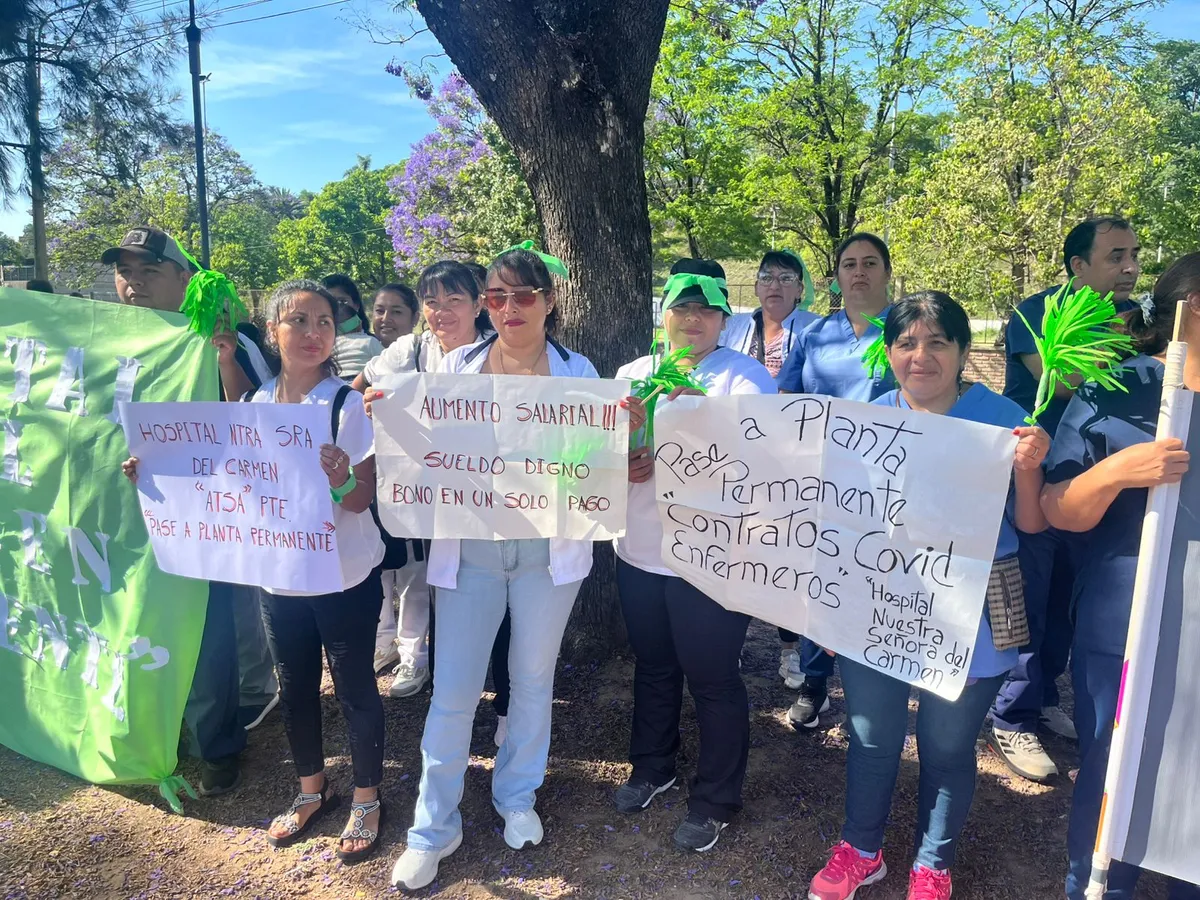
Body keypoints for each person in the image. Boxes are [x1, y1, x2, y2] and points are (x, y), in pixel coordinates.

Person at [807, 290, 1049, 900]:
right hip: (878, 604)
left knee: (947, 746)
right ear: (888, 352)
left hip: (976, 612)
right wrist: (828, 611)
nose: (921, 355)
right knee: (871, 737)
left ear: (964, 351)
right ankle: (861, 851)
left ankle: (932, 865)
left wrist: (1028, 467)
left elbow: (1032, 523)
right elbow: (840, 523)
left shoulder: (1004, 419)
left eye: (938, 342)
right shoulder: (866, 421)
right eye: (906, 342)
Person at [390, 245, 597, 892]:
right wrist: (389, 418)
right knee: (453, 692)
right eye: (496, 297)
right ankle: (433, 828)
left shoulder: (580, 372)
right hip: (472, 552)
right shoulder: (455, 367)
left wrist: (622, 437)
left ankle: (517, 796)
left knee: (531, 681)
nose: (510, 308)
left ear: (550, 301)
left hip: (546, 556)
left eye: (524, 295)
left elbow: (593, 465)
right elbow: (429, 451)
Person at [1043, 254, 1200, 900]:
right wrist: (1116, 472)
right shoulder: (1115, 390)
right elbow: (1057, 509)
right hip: (1124, 625)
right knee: (1116, 767)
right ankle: (1101, 884)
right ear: (1190, 310)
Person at [614, 260, 777, 853]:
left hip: (713, 559)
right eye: (681, 307)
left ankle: (715, 800)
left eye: (706, 309)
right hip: (639, 550)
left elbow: (762, 459)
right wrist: (622, 459)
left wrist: (702, 415)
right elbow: (592, 452)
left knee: (713, 678)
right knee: (654, 666)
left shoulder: (746, 378)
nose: (692, 318)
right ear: (663, 314)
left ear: (723, 320)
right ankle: (652, 767)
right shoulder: (632, 374)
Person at [102, 225, 271, 795]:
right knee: (135, 618)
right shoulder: (107, 342)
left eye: (149, 271)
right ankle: (153, 727)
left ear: (183, 278)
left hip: (204, 516)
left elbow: (262, 420)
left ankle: (214, 745)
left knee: (207, 632)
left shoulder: (222, 341)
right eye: (124, 272)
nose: (133, 283)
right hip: (125, 511)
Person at [991, 216, 1142, 783]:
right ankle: (1011, 714)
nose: (1130, 267)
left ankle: (1045, 694)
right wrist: (1125, 348)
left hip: (1093, 483)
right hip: (1030, 478)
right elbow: (1063, 380)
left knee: (1069, 599)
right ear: (1078, 265)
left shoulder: (1136, 316)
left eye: (1133, 255)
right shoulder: (1038, 312)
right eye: (1115, 256)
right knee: (1026, 594)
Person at [247, 279, 387, 862]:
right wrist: (155, 470)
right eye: (299, 321)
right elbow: (228, 483)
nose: (313, 333)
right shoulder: (252, 406)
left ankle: (367, 798)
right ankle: (312, 789)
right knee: (295, 686)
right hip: (279, 576)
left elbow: (361, 500)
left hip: (344, 577)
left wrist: (341, 478)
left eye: (324, 321)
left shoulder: (344, 405)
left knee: (354, 688)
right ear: (273, 330)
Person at [774, 232, 895, 729]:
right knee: (819, 579)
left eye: (870, 263)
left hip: (890, 483)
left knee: (880, 578)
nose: (859, 272)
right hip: (824, 481)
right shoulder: (814, 335)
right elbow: (787, 401)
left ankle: (879, 681)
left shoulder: (909, 330)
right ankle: (815, 683)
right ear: (836, 277)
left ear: (887, 272)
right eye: (849, 264)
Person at [354, 261, 491, 699]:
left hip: (485, 494)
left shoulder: (500, 351)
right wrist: (369, 406)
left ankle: (478, 667)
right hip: (423, 490)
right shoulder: (408, 351)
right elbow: (357, 392)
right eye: (432, 301)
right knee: (431, 575)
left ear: (478, 304)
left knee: (476, 580)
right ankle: (438, 670)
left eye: (454, 300)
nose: (442, 311)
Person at [720, 249, 819, 376]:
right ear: (756, 287)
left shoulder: (816, 329)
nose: (775, 286)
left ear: (799, 290)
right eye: (766, 278)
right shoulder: (731, 326)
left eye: (786, 278)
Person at [323, 273, 383, 379]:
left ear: (356, 305)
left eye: (342, 302)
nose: (336, 309)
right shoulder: (319, 345)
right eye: (329, 304)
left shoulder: (371, 342)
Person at [371, 283, 419, 348]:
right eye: (380, 311)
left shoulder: (424, 352)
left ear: (415, 318)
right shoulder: (361, 350)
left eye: (396, 312)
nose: (385, 319)